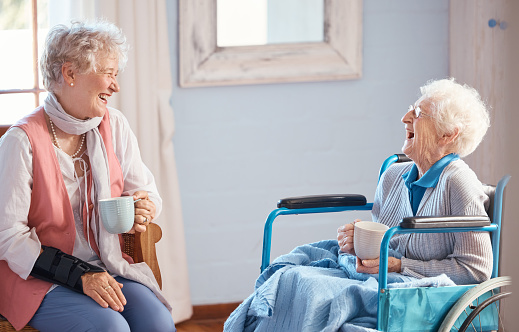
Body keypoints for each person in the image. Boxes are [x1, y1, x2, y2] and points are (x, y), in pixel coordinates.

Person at [0, 20, 176, 331]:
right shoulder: (20, 141)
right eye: (108, 74)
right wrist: (79, 274)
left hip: (107, 266)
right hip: (38, 279)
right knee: (111, 328)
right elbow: (9, 239)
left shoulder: (115, 124)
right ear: (69, 74)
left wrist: (143, 206)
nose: (115, 85)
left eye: (116, 75)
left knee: (157, 320)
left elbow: (146, 191)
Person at [337, 78, 492, 285]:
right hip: (381, 286)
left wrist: (401, 265)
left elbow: (475, 270)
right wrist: (360, 243)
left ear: (447, 134)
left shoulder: (459, 182)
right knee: (296, 272)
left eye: (418, 113)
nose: (404, 118)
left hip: (420, 299)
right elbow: (383, 254)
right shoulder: (392, 176)